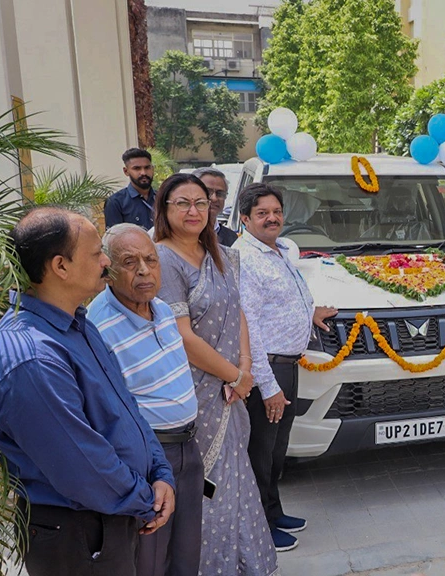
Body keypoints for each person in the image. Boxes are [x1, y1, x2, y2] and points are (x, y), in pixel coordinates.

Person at [0, 208, 175, 576]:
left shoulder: (77, 324)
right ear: (60, 266)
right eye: (96, 253)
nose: (106, 261)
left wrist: (160, 473)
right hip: (78, 532)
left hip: (113, 514)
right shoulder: (31, 355)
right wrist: (146, 498)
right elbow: (81, 464)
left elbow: (127, 409)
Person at [153, 174, 278, 574]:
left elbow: (238, 310)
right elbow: (182, 335)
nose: (193, 211)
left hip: (231, 388)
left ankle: (246, 563)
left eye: (201, 203)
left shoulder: (223, 254)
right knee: (207, 490)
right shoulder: (162, 259)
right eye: (182, 203)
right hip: (196, 393)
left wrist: (245, 366)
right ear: (165, 210)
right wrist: (235, 377)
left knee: (238, 478)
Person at [86, 224, 203, 576]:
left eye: (151, 260)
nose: (144, 270)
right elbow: (104, 413)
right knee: (149, 559)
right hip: (147, 459)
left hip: (187, 448)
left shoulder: (163, 309)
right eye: (129, 261)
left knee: (186, 553)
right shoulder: (97, 326)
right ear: (107, 268)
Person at [236, 183, 338, 552]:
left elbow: (276, 306)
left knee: (277, 450)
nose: (272, 218)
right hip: (267, 368)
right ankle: (260, 525)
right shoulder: (245, 258)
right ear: (245, 218)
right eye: (262, 213)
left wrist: (309, 314)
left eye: (276, 211)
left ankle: (274, 512)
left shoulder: (276, 251)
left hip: (287, 364)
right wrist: (268, 386)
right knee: (261, 451)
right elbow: (248, 325)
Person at [105, 148, 156, 229]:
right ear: (126, 171)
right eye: (137, 168)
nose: (143, 173)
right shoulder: (116, 202)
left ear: (152, 169)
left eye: (147, 167)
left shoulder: (162, 197)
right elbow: (114, 238)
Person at [194, 167, 237, 247]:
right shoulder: (180, 233)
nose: (214, 198)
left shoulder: (231, 238)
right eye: (207, 192)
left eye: (220, 193)